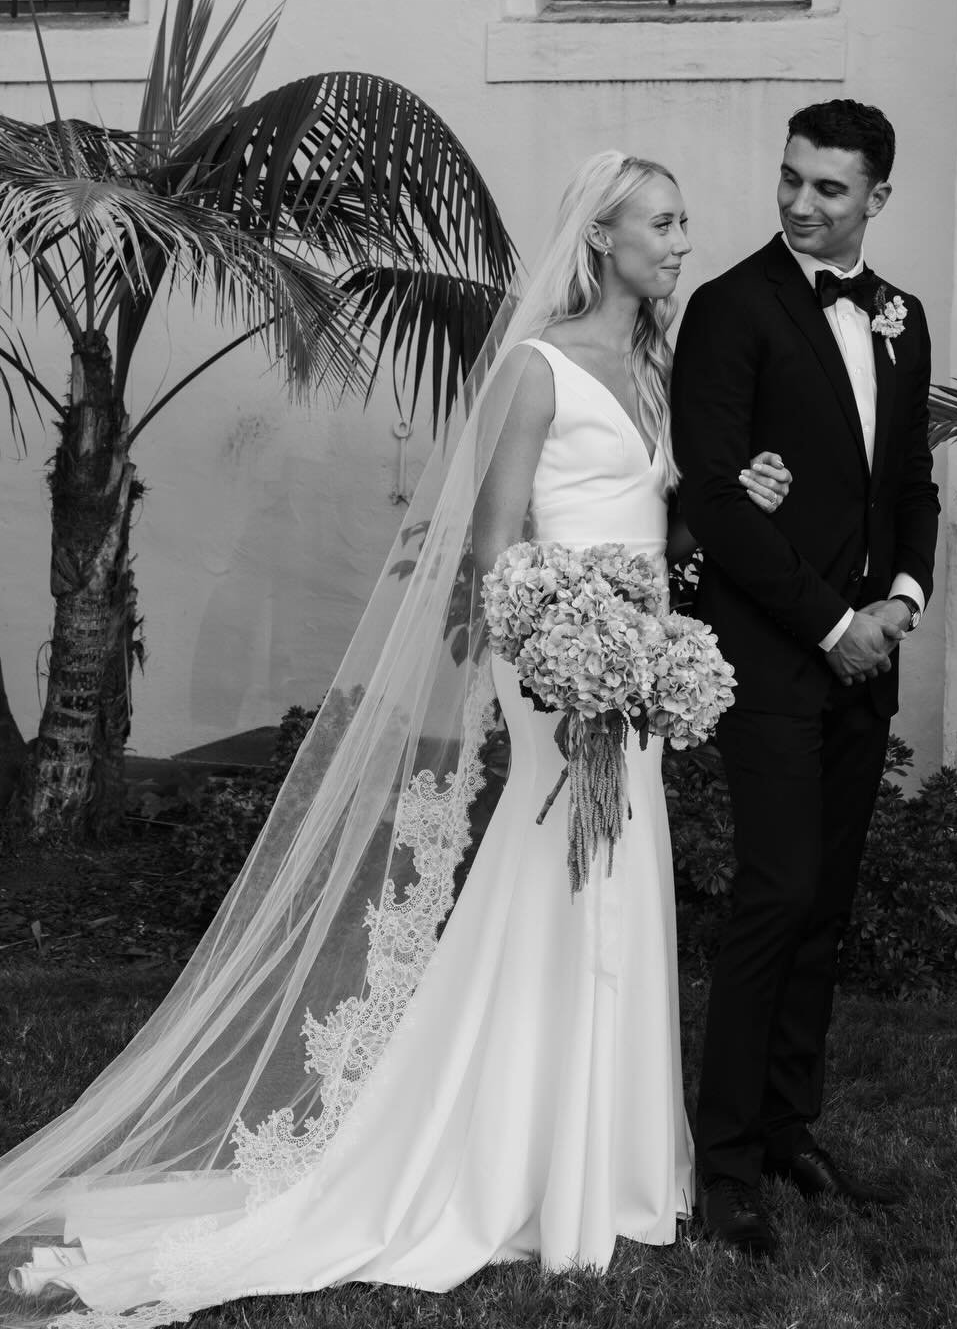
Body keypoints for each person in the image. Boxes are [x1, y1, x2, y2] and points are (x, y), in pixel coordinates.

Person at [0, 152, 791, 1323]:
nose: (681, 242)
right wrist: (565, 647)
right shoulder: (538, 365)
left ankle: (604, 1168)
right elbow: (492, 543)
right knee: (559, 879)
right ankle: (515, 1165)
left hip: (638, 664)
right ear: (602, 239)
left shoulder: (658, 365)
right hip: (558, 663)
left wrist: (736, 504)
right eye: (662, 223)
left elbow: (654, 518)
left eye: (684, 222)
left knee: (624, 885)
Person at [670, 99, 941, 1259]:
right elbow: (718, 503)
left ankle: (790, 1128)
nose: (800, 202)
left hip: (866, 654)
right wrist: (831, 622)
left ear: (878, 197)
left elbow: (912, 483)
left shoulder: (901, 317)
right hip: (774, 653)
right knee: (774, 897)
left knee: (825, 908)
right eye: (792, 179)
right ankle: (724, 1160)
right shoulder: (730, 309)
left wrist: (902, 603)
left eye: (830, 188)